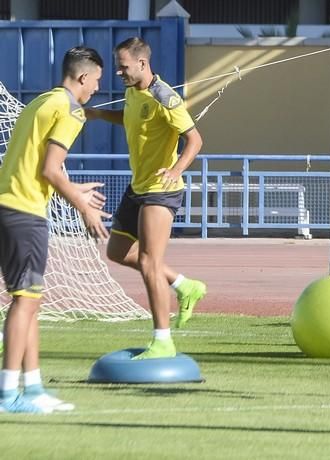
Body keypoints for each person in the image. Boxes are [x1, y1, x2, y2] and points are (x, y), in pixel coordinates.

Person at [0, 47, 109, 413]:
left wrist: (75, 190)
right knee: (25, 301)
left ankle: (31, 389)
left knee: (30, 300)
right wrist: (83, 209)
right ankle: (6, 394)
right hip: (23, 211)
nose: (96, 88)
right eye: (96, 81)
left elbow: (39, 164)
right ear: (82, 77)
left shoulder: (42, 102)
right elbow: (49, 169)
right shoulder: (71, 111)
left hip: (10, 206)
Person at [85, 37, 205, 360]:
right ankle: (184, 285)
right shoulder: (132, 92)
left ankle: (163, 340)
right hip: (137, 187)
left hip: (161, 191)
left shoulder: (166, 97)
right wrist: (98, 116)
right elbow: (130, 116)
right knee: (117, 251)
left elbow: (194, 140)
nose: (118, 72)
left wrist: (176, 167)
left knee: (150, 262)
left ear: (141, 63)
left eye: (123, 66)